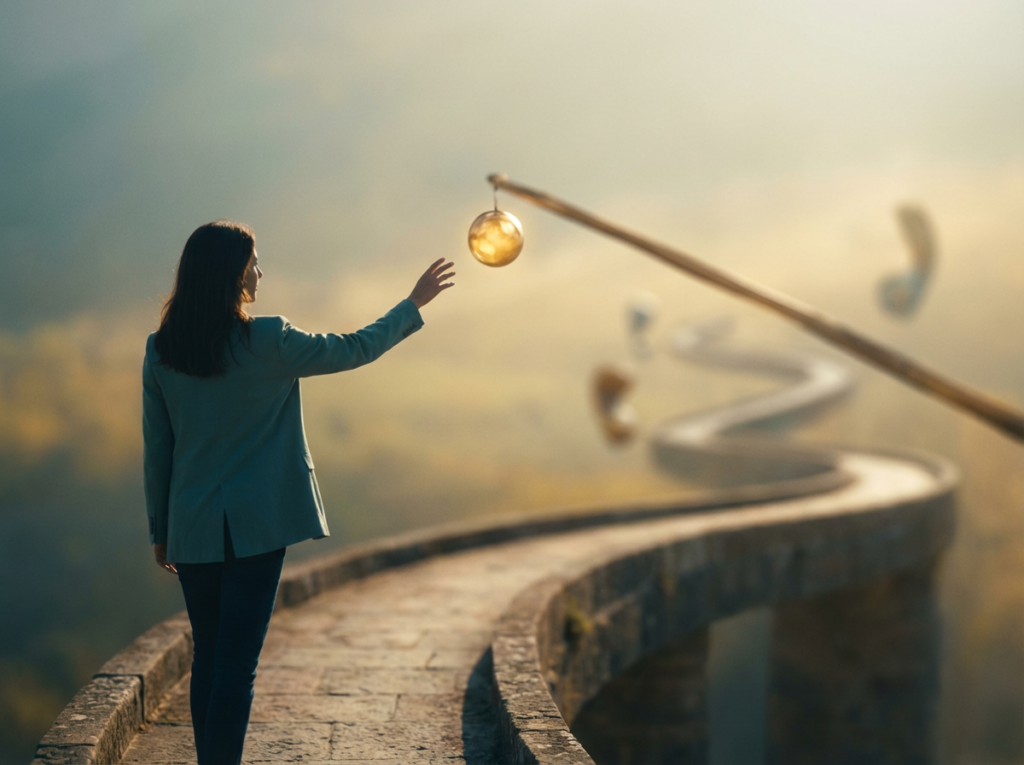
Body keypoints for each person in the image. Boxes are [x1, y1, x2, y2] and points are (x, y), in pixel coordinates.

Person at [142, 220, 454, 765]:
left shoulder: (161, 350)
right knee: (237, 665)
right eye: (254, 262)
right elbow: (356, 348)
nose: (260, 272)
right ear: (231, 275)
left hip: (191, 526)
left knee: (210, 658)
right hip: (260, 525)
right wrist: (412, 304)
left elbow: (158, 448)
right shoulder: (268, 340)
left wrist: (160, 532)